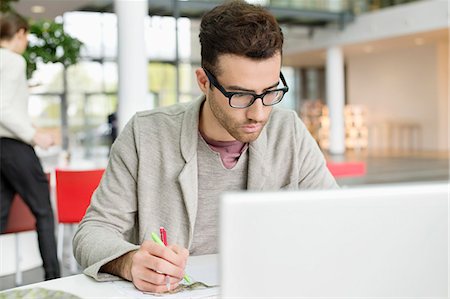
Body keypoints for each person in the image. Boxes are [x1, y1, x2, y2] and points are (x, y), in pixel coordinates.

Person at [74, 0, 338, 293]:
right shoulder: (145, 134)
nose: (259, 113)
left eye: (270, 91)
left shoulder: (289, 132)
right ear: (203, 81)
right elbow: (93, 232)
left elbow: (337, 220)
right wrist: (128, 261)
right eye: (240, 95)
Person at [0, 12, 60, 280]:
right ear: (20, 33)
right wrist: (34, 137)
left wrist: (33, 130)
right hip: (15, 148)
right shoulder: (12, 60)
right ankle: (54, 280)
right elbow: (1, 108)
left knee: (0, 215)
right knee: (44, 213)